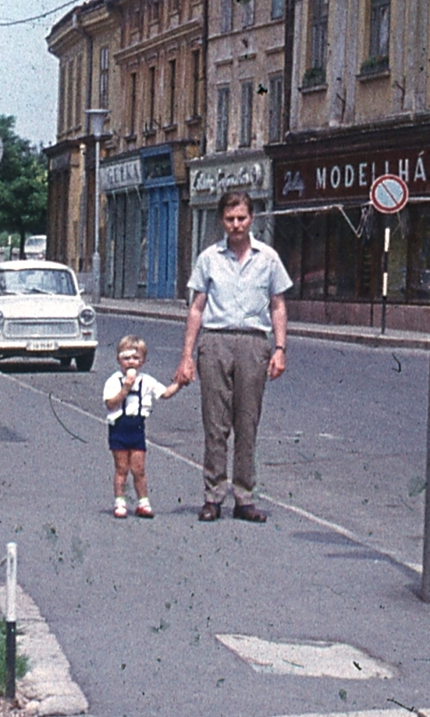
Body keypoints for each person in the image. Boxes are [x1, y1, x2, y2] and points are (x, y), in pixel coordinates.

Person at [175, 190, 292, 523]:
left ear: (251, 218)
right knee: (215, 424)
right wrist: (187, 356)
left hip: (254, 343)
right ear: (222, 221)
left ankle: (244, 498)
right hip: (215, 342)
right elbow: (197, 308)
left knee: (247, 423)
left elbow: (278, 306)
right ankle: (213, 497)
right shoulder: (209, 258)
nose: (236, 225)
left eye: (241, 218)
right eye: (230, 219)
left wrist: (280, 349)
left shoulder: (267, 258)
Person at [102, 335, 181, 519]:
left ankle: (143, 502)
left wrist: (179, 383)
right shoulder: (114, 381)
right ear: (119, 359)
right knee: (121, 468)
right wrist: (125, 389)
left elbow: (165, 393)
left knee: (139, 469)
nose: (131, 362)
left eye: (135, 358)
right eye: (126, 358)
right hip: (119, 429)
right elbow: (110, 404)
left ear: (142, 361)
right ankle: (120, 502)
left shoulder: (147, 381)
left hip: (137, 429)